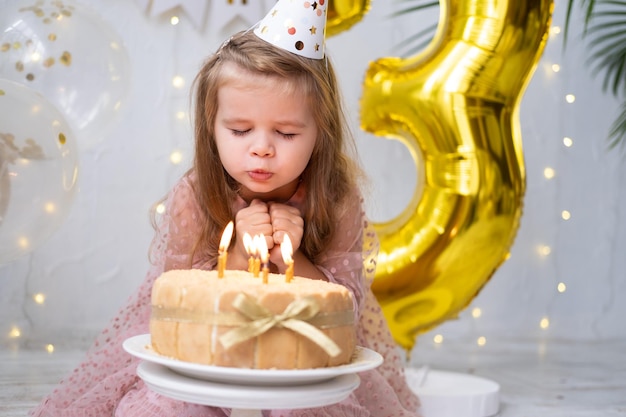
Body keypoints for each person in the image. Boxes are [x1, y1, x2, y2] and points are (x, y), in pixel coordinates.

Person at [31, 2, 421, 416]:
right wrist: (236, 255)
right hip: (202, 358)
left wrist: (289, 257)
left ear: (320, 132)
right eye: (239, 130)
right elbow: (176, 299)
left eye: (286, 133)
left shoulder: (337, 199)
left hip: (302, 370)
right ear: (211, 124)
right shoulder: (196, 195)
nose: (261, 148)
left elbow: (346, 310)